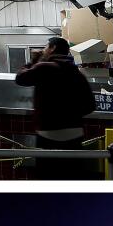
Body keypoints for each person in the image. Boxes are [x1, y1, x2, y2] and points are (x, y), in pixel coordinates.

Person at [15, 36, 96, 179]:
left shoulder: (44, 67)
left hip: (48, 134)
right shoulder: (78, 73)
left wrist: (34, 61)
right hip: (75, 135)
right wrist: (71, 115)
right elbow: (90, 105)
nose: (44, 51)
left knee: (48, 178)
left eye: (46, 48)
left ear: (52, 48)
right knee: (72, 178)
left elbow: (20, 78)